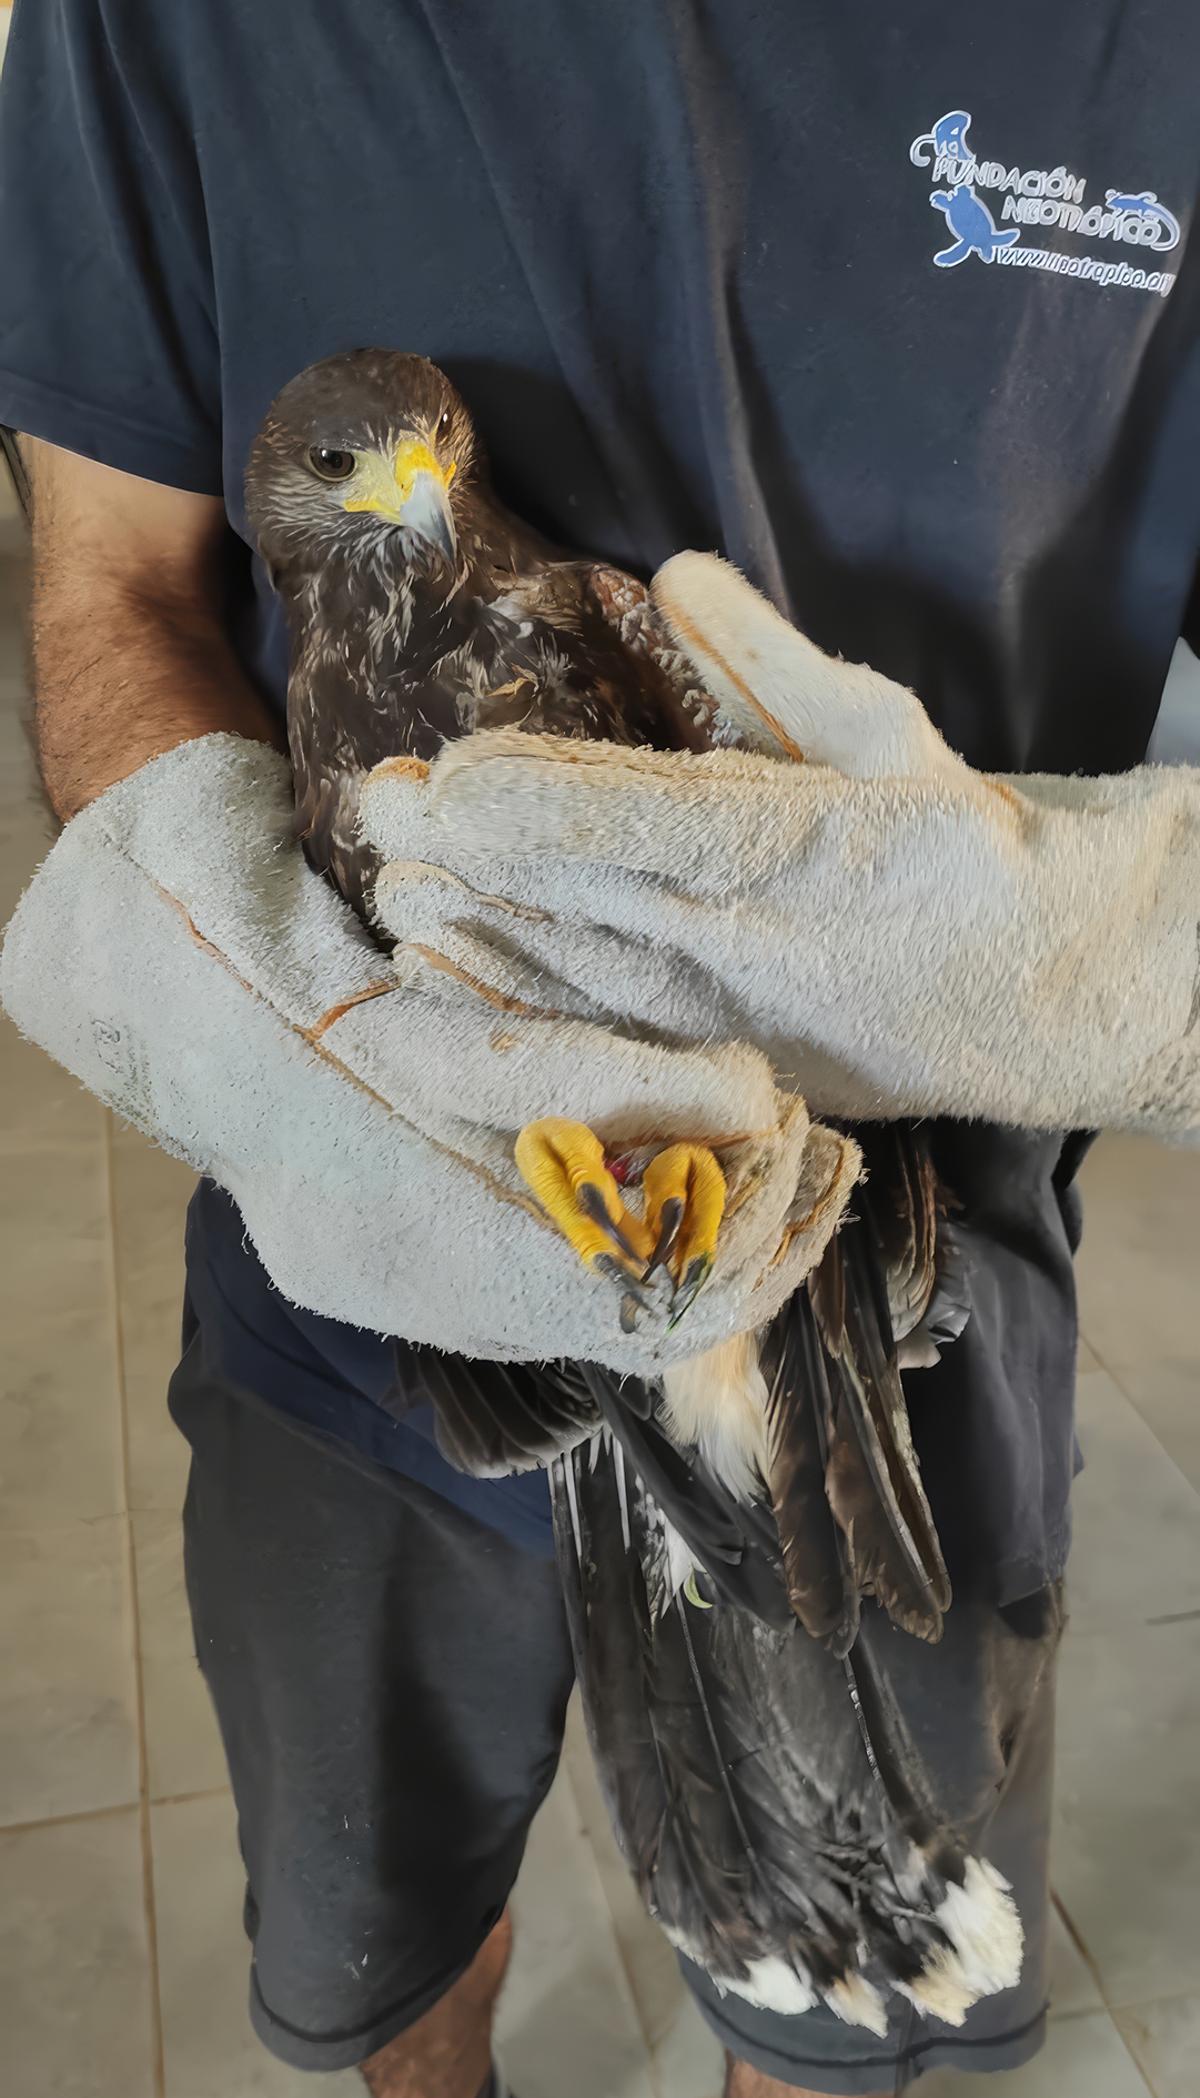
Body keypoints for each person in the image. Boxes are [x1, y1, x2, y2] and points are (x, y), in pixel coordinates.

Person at [1, 5, 1197, 2095]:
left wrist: (1126, 955)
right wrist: (251, 1007)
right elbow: (115, 571)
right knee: (383, 1924)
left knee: (830, 2000)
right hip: (358, 1235)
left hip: (893, 1288)